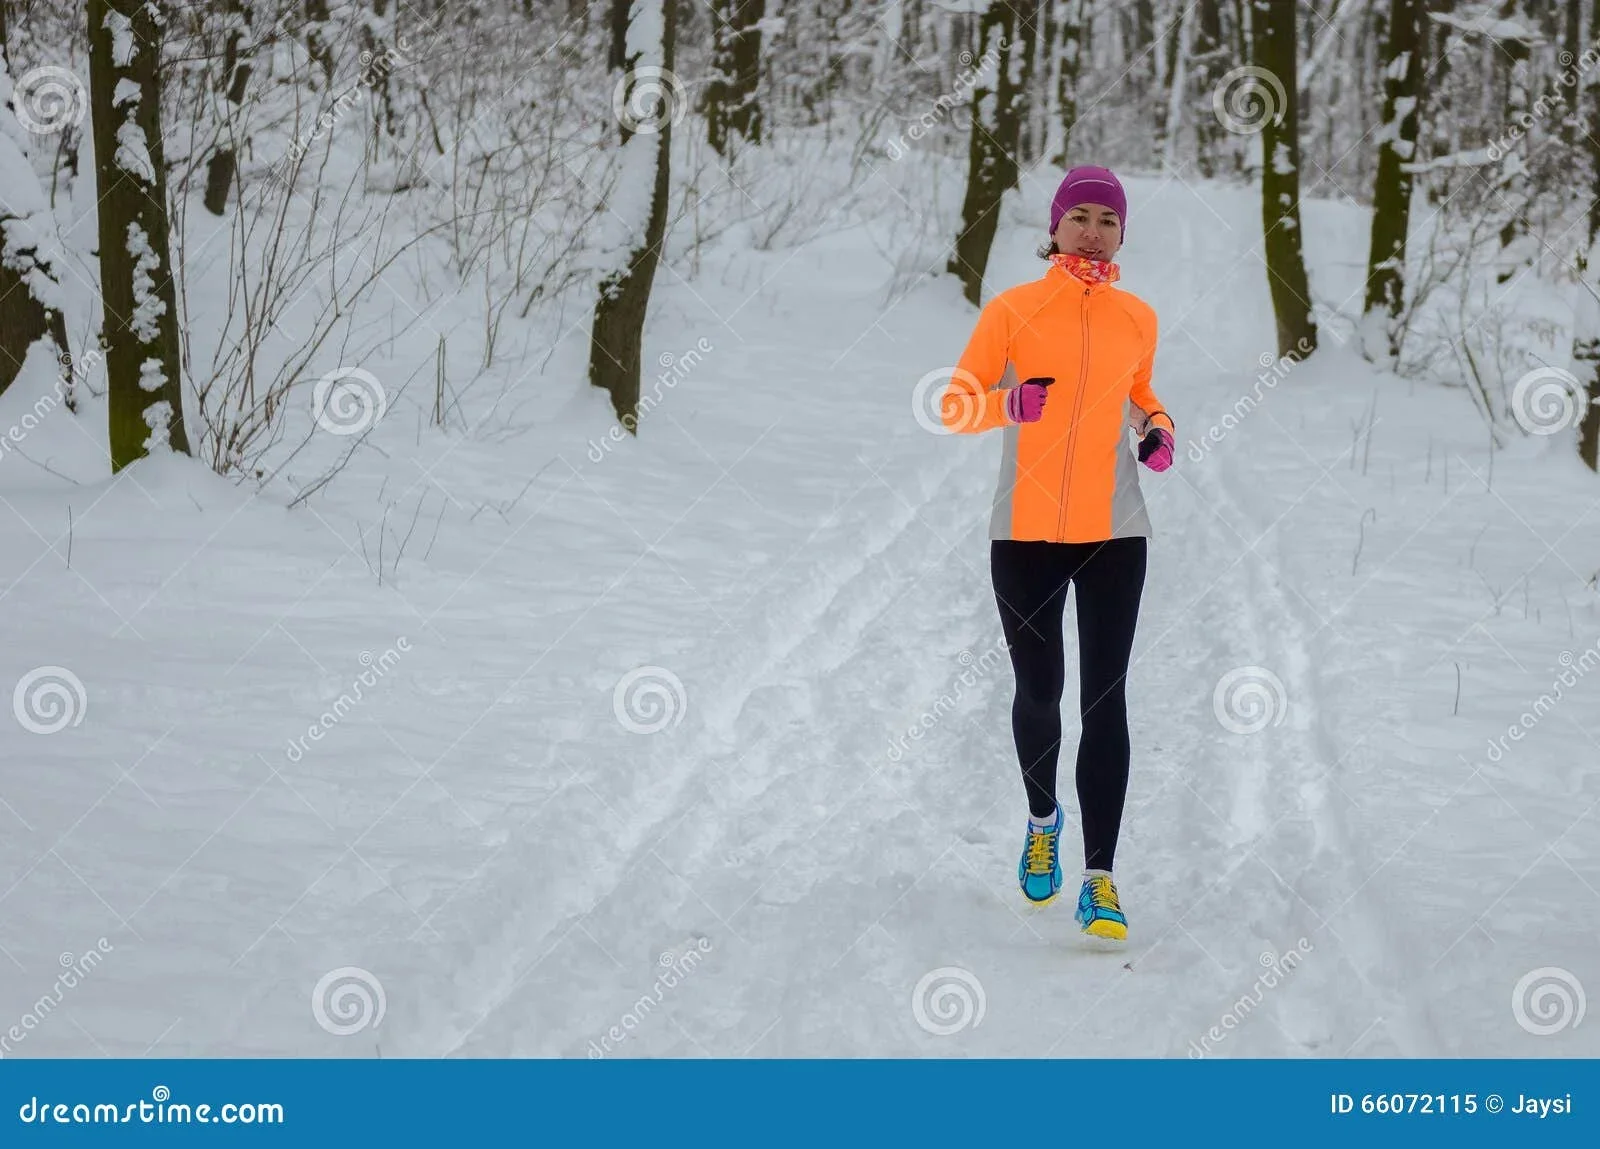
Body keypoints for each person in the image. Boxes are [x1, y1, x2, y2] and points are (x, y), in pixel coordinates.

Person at [940, 165, 1174, 941]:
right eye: (1080, 215)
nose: (1093, 231)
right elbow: (955, 402)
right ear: (1055, 224)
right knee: (1040, 693)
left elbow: (1142, 391)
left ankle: (1100, 880)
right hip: (1026, 534)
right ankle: (1044, 817)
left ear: (1121, 233)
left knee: (1105, 701)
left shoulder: (1136, 316)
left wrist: (1157, 426)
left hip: (1116, 532)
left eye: (1108, 220)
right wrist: (1010, 402)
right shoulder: (1012, 309)